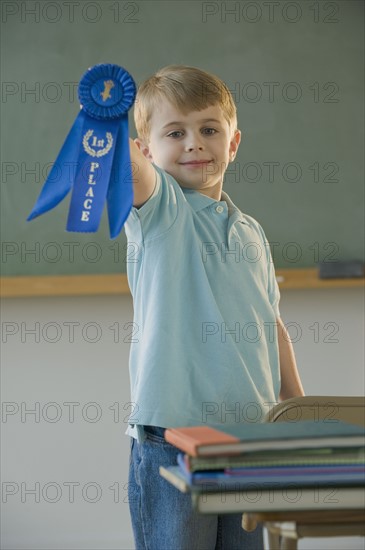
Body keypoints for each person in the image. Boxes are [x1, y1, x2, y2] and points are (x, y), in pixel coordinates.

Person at [124, 65, 305, 550]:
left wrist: (297, 406)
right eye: (174, 133)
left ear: (234, 143)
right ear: (146, 150)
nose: (194, 144)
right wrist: (104, 127)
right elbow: (131, 172)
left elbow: (271, 324)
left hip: (248, 436)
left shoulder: (251, 231)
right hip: (173, 437)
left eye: (209, 130)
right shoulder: (161, 211)